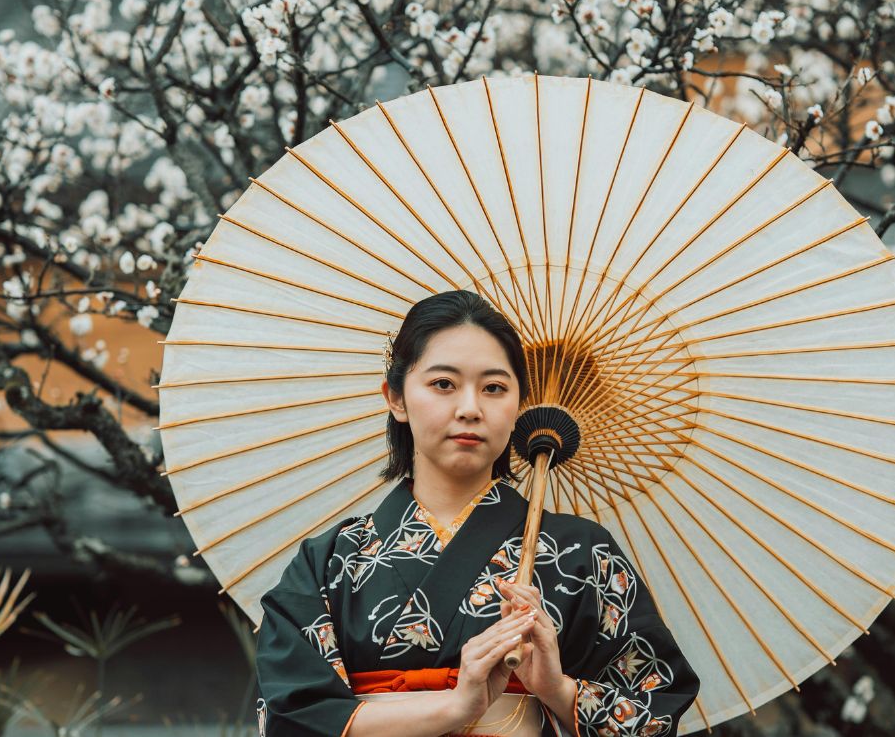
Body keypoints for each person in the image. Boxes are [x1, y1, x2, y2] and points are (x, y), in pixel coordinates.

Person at [254, 290, 699, 736]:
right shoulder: (329, 561)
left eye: (494, 388)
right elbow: (289, 716)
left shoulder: (582, 553)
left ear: (518, 404)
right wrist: (455, 708)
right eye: (443, 384)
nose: (470, 408)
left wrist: (555, 687)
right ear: (396, 398)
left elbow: (653, 711)